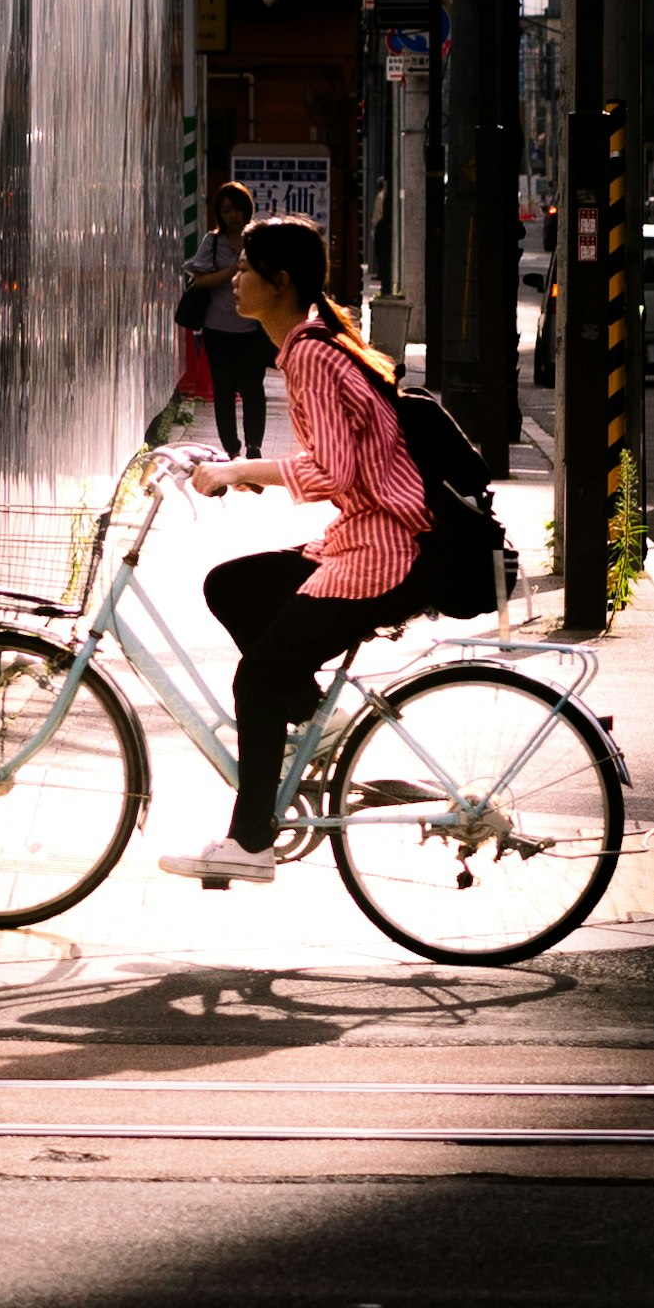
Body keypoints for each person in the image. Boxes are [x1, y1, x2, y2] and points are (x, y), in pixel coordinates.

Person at [159, 212, 428, 887]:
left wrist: (239, 470)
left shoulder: (309, 352)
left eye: (247, 268)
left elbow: (331, 472)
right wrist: (234, 468)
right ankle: (314, 716)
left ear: (280, 283)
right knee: (233, 586)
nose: (236, 279)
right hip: (360, 539)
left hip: (380, 552)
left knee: (256, 679)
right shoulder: (310, 344)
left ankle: (250, 842)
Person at [179, 178, 267, 454]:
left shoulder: (258, 241)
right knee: (224, 391)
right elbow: (200, 280)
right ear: (220, 212)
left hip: (252, 328)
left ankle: (254, 445)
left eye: (237, 209)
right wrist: (231, 272)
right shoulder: (212, 242)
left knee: (254, 389)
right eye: (227, 210)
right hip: (217, 329)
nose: (232, 215)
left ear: (247, 210)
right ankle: (231, 446)